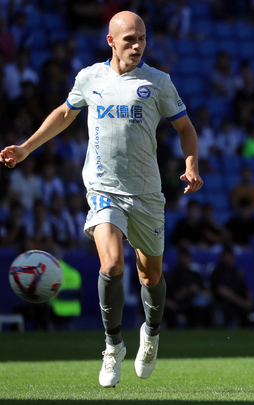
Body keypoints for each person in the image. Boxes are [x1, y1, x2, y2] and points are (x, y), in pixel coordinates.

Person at [0, 11, 203, 388]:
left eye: (142, 37)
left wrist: (191, 164)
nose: (137, 45)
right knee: (110, 266)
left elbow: (185, 128)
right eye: (129, 39)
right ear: (111, 41)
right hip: (103, 188)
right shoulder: (89, 78)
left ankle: (151, 334)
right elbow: (64, 113)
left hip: (145, 194)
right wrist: (27, 148)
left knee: (150, 275)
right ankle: (112, 347)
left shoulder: (158, 82)